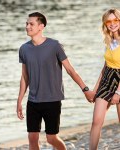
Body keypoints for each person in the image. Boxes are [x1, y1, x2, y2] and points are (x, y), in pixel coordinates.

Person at [16, 12, 95, 150]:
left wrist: (85, 90)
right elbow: (24, 76)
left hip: (52, 100)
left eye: (31, 24)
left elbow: (70, 70)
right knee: (32, 137)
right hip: (33, 101)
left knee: (51, 138)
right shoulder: (24, 49)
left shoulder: (54, 45)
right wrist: (19, 101)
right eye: (26, 23)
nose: (27, 26)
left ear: (41, 26)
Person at [89, 8, 120, 150]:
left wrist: (118, 92)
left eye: (116, 20)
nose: (112, 23)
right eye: (109, 21)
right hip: (107, 80)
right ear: (105, 23)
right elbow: (105, 66)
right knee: (96, 121)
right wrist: (95, 90)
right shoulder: (109, 40)